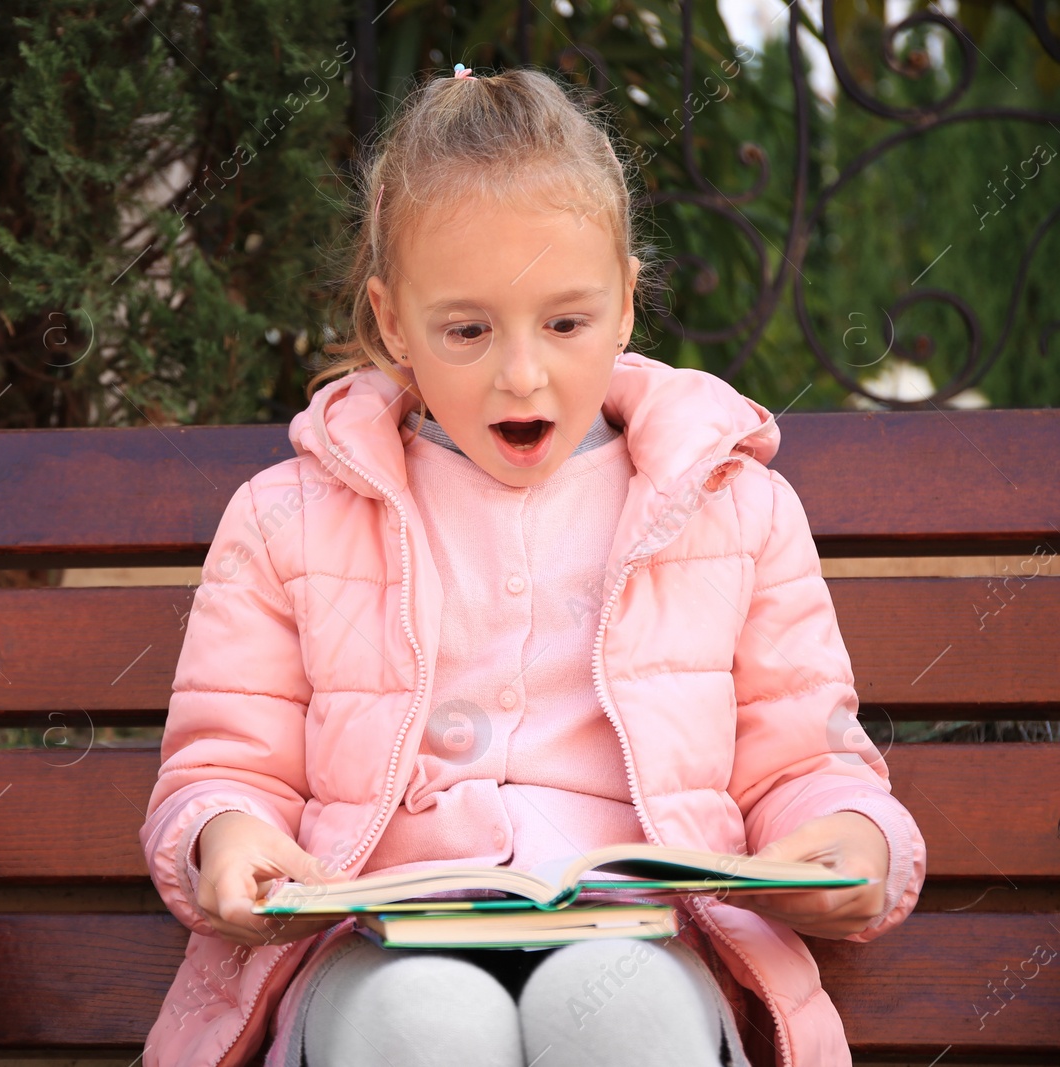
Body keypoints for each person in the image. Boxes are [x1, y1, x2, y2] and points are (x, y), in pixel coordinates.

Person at [138, 64, 925, 1067]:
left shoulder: (730, 504)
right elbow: (222, 766)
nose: (522, 372)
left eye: (565, 322)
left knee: (628, 1012)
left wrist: (850, 840)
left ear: (628, 303)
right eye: (466, 330)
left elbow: (802, 762)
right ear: (392, 322)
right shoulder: (286, 518)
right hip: (378, 947)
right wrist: (225, 835)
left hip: (639, 938)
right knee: (422, 1021)